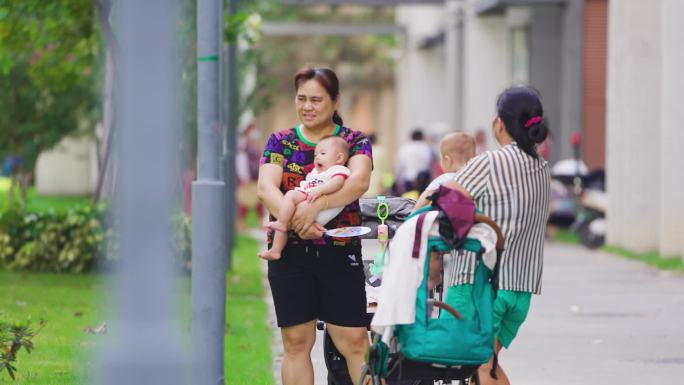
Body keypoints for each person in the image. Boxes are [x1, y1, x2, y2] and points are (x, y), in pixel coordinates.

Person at [257, 67, 372, 385]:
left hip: (339, 252)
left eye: (316, 99)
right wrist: (298, 222)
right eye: (301, 98)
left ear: (335, 101)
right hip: (289, 254)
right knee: (296, 343)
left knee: (355, 342)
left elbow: (358, 182)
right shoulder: (281, 141)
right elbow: (267, 188)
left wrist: (316, 208)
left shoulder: (354, 141)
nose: (307, 106)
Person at [440, 86, 550, 385]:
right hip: (520, 289)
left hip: (481, 285)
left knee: (473, 364)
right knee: (485, 365)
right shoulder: (542, 168)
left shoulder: (491, 162)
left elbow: (447, 200)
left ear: (498, 123)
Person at [258, 135, 351, 261]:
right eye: (315, 155)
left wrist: (320, 190)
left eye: (323, 153)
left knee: (288, 206)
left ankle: (282, 224)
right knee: (287, 206)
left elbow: (338, 183)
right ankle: (276, 249)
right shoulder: (316, 172)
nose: (317, 157)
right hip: (309, 196)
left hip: (321, 204)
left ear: (339, 157)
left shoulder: (338, 170)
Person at [394, 129, 434, 194]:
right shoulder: (425, 147)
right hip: (422, 179)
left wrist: (398, 179)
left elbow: (400, 165)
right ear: (421, 137)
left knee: (408, 200)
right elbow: (428, 163)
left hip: (408, 178)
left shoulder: (404, 148)